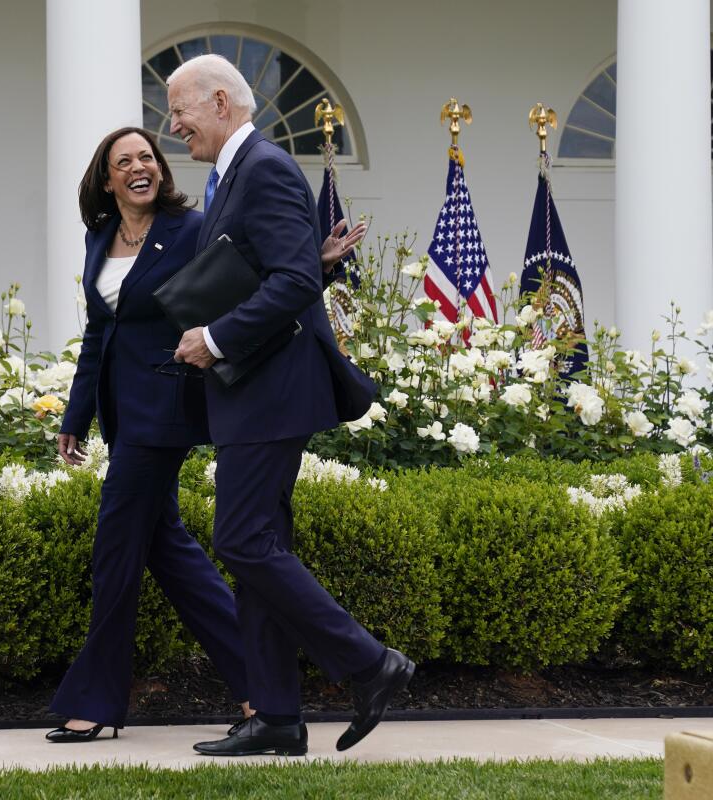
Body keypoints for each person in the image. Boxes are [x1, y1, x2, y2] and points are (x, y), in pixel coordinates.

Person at [167, 54, 415, 757]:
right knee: (256, 548)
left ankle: (372, 665)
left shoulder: (264, 167)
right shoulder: (237, 174)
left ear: (221, 102)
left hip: (270, 391)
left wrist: (214, 337)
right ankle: (276, 716)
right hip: (254, 392)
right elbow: (281, 267)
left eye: (180, 109)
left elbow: (290, 281)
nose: (174, 124)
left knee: (242, 542)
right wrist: (318, 260)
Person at [45, 127, 252, 743]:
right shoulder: (99, 238)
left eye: (146, 157)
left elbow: (243, 287)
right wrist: (75, 416)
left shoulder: (191, 229)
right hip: (121, 411)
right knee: (170, 552)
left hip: (166, 406)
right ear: (107, 180)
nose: (139, 167)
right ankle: (260, 687)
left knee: (116, 551)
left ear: (159, 169)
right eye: (123, 161)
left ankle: (97, 700)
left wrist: (314, 264)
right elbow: (97, 334)